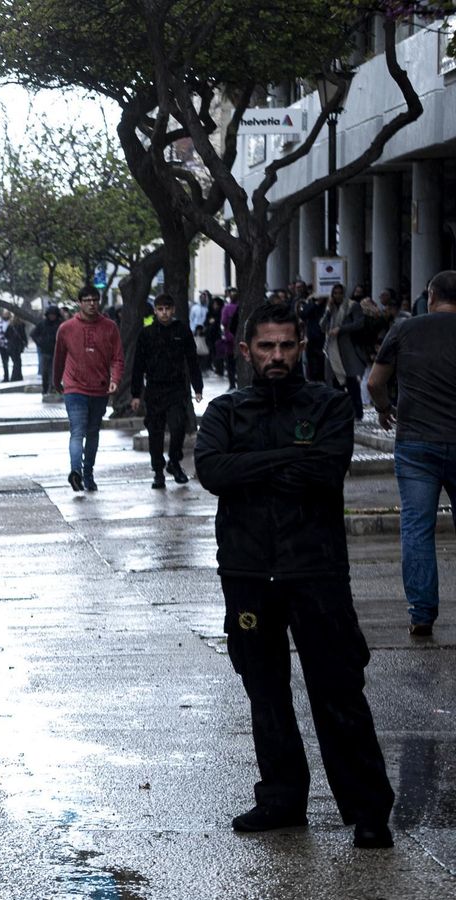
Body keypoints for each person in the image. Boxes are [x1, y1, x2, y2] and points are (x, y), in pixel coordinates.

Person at [194, 302, 395, 850]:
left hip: (317, 569)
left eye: (286, 345)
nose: (277, 355)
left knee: (338, 691)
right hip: (247, 571)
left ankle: (368, 810)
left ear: (301, 346)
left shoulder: (328, 404)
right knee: (265, 691)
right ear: (247, 351)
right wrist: (287, 460)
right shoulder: (225, 411)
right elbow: (212, 470)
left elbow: (325, 470)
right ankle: (281, 799)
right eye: (266, 346)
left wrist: (251, 467)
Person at [367, 269, 456, 637]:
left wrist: (384, 408)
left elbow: (375, 382)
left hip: (416, 443)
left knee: (417, 528)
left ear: (431, 296)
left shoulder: (404, 329)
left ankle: (422, 613)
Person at [52, 285, 123, 492]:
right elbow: (59, 358)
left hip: (99, 389)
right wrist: (56, 382)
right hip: (74, 388)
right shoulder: (66, 328)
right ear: (79, 303)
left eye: (95, 300)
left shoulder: (110, 327)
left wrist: (115, 379)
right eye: (87, 300)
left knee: (92, 433)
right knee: (77, 432)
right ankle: (76, 472)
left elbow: (117, 358)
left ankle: (88, 474)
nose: (92, 304)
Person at [129, 294, 203, 489]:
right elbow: (138, 365)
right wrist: (136, 394)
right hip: (154, 389)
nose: (164, 313)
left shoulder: (182, 331)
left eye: (167, 309)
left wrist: (198, 387)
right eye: (160, 309)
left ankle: (174, 462)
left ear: (173, 310)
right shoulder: (147, 334)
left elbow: (192, 360)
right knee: (155, 432)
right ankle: (158, 472)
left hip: (177, 388)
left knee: (178, 427)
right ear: (155, 310)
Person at [326, 285, 369, 421]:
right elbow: (322, 326)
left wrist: (341, 329)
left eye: (340, 293)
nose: (337, 296)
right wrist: (328, 311)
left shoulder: (352, 306)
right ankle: (341, 413)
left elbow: (359, 323)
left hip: (348, 349)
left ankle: (357, 412)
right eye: (335, 293)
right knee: (336, 383)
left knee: (352, 383)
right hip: (333, 350)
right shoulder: (331, 308)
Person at [32, 306, 62, 396]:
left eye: (54, 315)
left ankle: (53, 387)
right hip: (45, 351)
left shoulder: (60, 324)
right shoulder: (43, 324)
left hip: (57, 351)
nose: (52, 317)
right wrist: (40, 343)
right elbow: (34, 334)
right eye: (50, 315)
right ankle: (45, 388)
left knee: (55, 371)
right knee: (45, 372)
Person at [2, 310, 26, 383]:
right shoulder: (21, 324)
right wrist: (25, 342)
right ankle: (17, 376)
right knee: (18, 361)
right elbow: (23, 335)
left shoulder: (11, 325)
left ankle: (16, 376)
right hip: (17, 346)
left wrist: (11, 339)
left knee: (15, 361)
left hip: (11, 346)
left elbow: (6, 335)